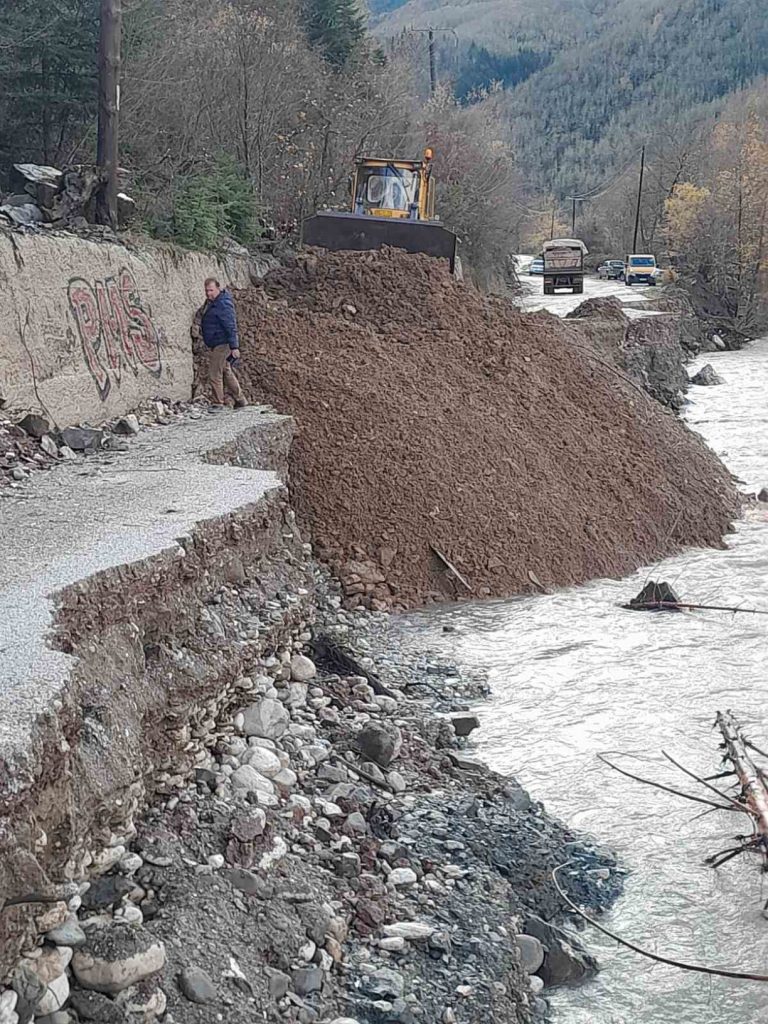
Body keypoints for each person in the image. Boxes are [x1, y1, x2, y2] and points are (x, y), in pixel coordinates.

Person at [196, 278, 246, 409]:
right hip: (218, 342)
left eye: (211, 290)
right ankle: (240, 399)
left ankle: (218, 403)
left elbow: (231, 325)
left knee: (214, 373)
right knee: (226, 370)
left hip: (222, 343)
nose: (208, 293)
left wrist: (234, 346)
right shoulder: (213, 302)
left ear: (218, 288)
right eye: (206, 291)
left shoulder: (223, 304)